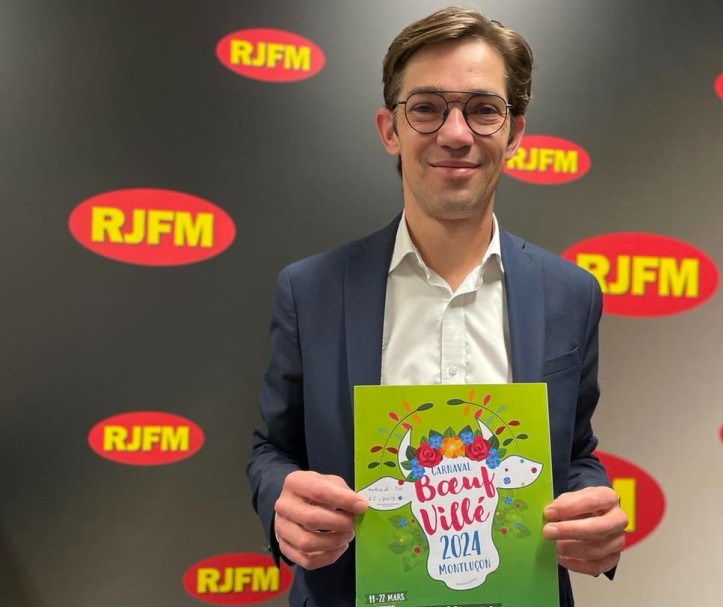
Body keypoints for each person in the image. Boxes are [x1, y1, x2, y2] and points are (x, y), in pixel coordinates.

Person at [247, 7, 627, 606]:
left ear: (514, 132)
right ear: (390, 130)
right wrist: (280, 500)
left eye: (483, 109)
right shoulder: (311, 290)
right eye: (426, 108)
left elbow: (574, 452)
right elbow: (273, 449)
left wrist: (592, 511)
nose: (456, 134)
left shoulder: (569, 294)